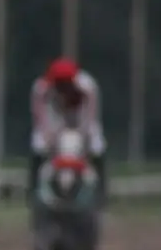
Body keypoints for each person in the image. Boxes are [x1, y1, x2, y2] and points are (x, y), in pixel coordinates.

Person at [29, 57, 107, 200]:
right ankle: (34, 192)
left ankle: (101, 192)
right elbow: (41, 119)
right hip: (55, 114)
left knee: (97, 145)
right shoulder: (41, 89)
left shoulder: (88, 87)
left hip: (80, 114)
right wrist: (50, 138)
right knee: (38, 144)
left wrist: (83, 139)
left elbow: (90, 117)